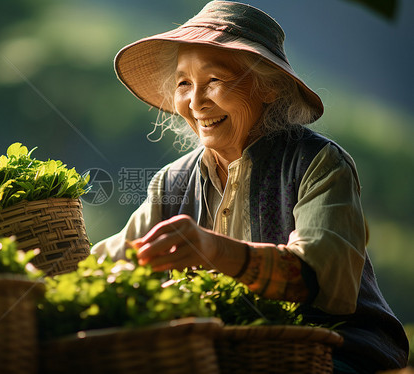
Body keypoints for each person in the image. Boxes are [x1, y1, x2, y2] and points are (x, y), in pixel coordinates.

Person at [91, 1, 409, 372]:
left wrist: (214, 249)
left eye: (214, 81)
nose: (195, 102)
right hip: (228, 355)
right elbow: (105, 262)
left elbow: (320, 278)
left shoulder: (318, 163)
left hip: (333, 352)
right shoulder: (173, 182)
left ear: (269, 87)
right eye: (183, 84)